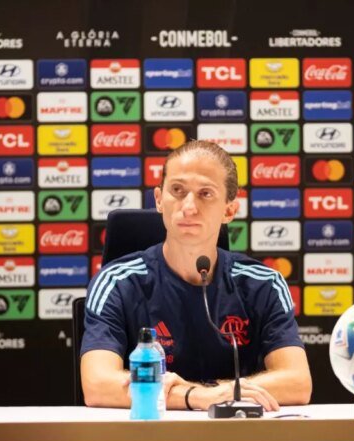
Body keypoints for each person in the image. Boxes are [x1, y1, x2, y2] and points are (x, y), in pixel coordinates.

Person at [80, 140, 311, 411]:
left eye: (205, 193)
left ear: (229, 210)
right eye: (177, 190)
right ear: (158, 200)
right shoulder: (116, 282)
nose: (189, 207)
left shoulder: (263, 284)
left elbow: (298, 383)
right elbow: (97, 385)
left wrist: (213, 393)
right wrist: (196, 397)